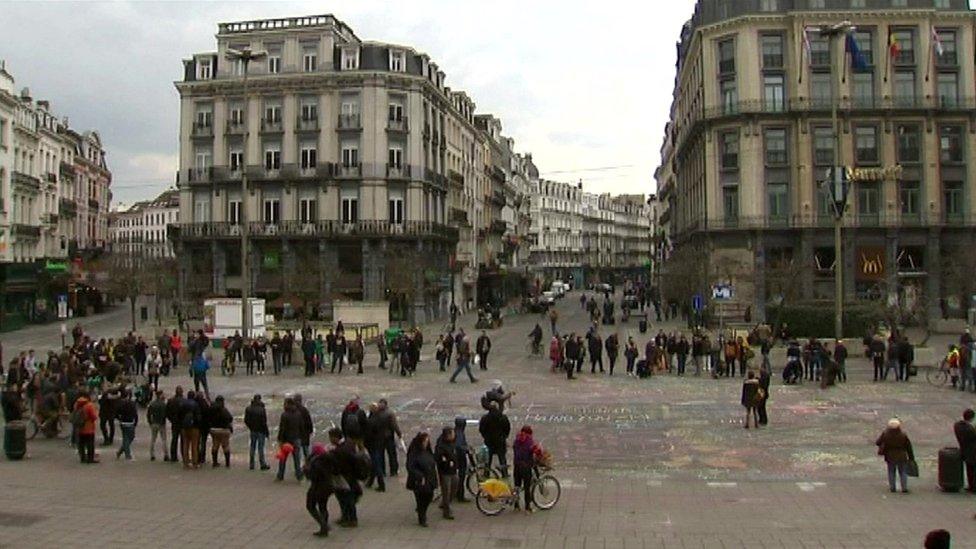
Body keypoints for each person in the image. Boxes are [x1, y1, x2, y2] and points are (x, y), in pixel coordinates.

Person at [304, 442, 340, 537]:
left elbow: (312, 476)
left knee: (310, 506)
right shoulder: (329, 459)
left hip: (318, 487)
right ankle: (324, 527)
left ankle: (323, 525)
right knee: (323, 506)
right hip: (329, 487)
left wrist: (306, 469)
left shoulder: (316, 463)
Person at [406, 432, 438, 527]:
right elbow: (410, 466)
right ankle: (422, 517)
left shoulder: (428, 451)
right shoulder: (414, 453)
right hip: (419, 480)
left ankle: (421, 510)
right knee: (420, 498)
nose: (426, 443)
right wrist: (419, 476)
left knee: (429, 496)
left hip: (429, 478)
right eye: (425, 441)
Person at [875, 418, 914, 493]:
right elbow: (908, 446)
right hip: (902, 455)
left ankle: (892, 487)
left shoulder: (885, 434)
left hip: (890, 455)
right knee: (903, 472)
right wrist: (911, 457)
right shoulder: (903, 434)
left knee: (891, 471)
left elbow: (878, 442)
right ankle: (904, 487)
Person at [479, 401, 511, 477]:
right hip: (500, 440)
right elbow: (507, 428)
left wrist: (485, 436)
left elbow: (481, 429)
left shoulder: (485, 418)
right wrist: (504, 437)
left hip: (489, 441)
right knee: (502, 458)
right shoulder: (503, 417)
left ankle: (486, 473)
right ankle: (504, 473)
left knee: (488, 459)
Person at [513, 425, 541, 512]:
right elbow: (534, 451)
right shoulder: (529, 441)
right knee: (527, 487)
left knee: (517, 486)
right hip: (526, 467)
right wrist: (538, 450)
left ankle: (516, 506)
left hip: (517, 466)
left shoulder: (516, 440)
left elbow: (515, 449)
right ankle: (527, 507)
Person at [277, 397, 304, 481]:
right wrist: (301, 437)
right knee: (296, 459)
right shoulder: (298, 414)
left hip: (286, 440)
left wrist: (280, 440)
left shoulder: (284, 415)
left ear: (287, 404)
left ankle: (280, 475)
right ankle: (298, 475)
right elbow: (301, 426)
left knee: (283, 459)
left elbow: (282, 429)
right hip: (296, 439)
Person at [434, 426, 458, 520]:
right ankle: (446, 511)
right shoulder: (441, 446)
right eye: (452, 433)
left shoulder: (452, 442)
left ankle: (445, 503)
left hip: (453, 470)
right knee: (446, 491)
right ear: (448, 435)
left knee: (454, 486)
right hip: (445, 472)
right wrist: (447, 462)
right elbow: (439, 459)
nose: (454, 435)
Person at [244, 394, 271, 470]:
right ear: (259, 399)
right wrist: (267, 432)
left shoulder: (248, 409)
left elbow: (246, 420)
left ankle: (251, 464)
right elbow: (264, 422)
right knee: (260, 448)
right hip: (261, 431)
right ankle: (262, 464)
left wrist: (250, 427)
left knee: (252, 447)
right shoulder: (262, 409)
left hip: (253, 430)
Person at [954, 409, 976, 493]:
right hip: (973, 451)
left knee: (969, 469)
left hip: (965, 450)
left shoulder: (957, 426)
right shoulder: (970, 429)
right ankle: (974, 487)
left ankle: (971, 486)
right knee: (973, 469)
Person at [73, 390, 98, 464]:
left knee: (81, 444)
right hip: (89, 427)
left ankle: (82, 458)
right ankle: (90, 458)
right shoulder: (89, 405)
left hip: (80, 427)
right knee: (90, 444)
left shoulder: (77, 404)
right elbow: (94, 416)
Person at [208, 395, 233, 468]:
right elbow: (230, 418)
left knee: (215, 445)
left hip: (214, 430)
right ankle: (227, 464)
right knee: (225, 446)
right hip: (224, 430)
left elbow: (208, 418)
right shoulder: (223, 409)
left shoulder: (211, 409)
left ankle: (214, 462)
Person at [180, 390, 202, 469]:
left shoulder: (183, 404)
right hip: (194, 427)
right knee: (194, 445)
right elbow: (198, 417)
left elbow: (180, 415)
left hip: (184, 426)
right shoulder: (196, 405)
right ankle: (194, 463)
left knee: (185, 445)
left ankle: (185, 463)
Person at [147, 390, 168, 461]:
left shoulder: (152, 404)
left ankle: (152, 455)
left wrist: (150, 422)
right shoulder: (163, 404)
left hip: (154, 423)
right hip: (162, 424)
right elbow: (166, 414)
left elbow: (148, 414)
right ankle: (166, 454)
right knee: (164, 440)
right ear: (160, 395)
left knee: (153, 439)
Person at [166, 386, 185, 463]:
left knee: (174, 439)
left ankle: (173, 456)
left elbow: (167, 412)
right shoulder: (184, 401)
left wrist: (171, 420)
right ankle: (184, 455)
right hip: (182, 423)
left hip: (174, 423)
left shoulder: (171, 401)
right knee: (183, 440)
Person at [295, 394, 314, 459]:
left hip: (297, 434)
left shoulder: (293, 411)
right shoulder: (304, 410)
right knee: (305, 451)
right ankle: (308, 464)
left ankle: (299, 467)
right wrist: (310, 430)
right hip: (305, 433)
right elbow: (309, 421)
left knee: (298, 453)